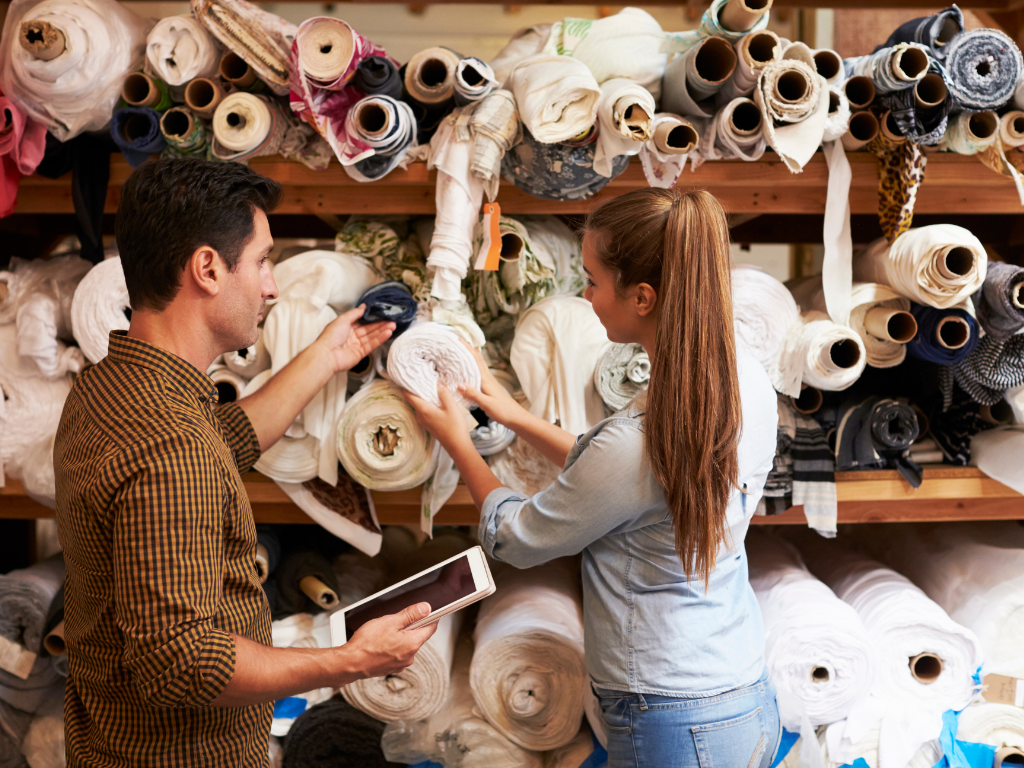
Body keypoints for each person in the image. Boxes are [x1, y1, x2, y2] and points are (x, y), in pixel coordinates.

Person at [53, 158, 437, 767]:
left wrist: (326, 356)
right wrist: (350, 662)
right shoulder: (170, 445)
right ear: (207, 268)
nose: (272, 285)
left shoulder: (113, 387)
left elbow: (218, 443)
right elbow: (178, 663)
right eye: (261, 260)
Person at [405, 188, 781, 768]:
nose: (585, 295)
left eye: (592, 280)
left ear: (643, 296)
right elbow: (618, 474)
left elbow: (517, 539)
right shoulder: (740, 381)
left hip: (672, 721)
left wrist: (460, 441)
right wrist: (512, 414)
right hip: (744, 696)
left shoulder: (637, 443)